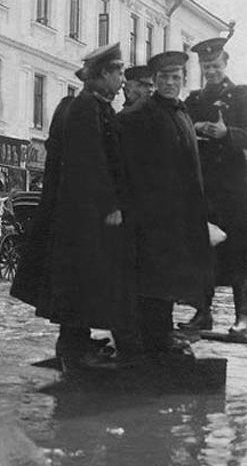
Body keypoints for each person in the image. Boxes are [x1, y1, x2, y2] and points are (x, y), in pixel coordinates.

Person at [11, 42, 143, 370]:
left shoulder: (89, 105)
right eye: (119, 73)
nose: (123, 81)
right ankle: (73, 347)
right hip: (85, 214)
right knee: (82, 279)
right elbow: (92, 163)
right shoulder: (86, 109)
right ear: (102, 75)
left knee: (80, 280)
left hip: (79, 212)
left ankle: (76, 340)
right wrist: (111, 205)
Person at [119, 51, 214, 357]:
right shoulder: (141, 114)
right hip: (152, 217)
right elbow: (128, 167)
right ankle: (155, 342)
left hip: (180, 215)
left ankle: (162, 334)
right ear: (155, 81)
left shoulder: (182, 113)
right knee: (152, 279)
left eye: (176, 78)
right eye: (164, 78)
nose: (170, 83)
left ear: (183, 80)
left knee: (170, 278)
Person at [181, 37, 247, 336]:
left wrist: (226, 132)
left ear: (225, 63)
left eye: (215, 65)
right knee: (202, 246)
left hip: (230, 184)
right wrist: (195, 128)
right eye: (206, 67)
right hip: (202, 183)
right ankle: (203, 313)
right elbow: (180, 133)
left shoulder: (241, 94)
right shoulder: (192, 100)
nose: (211, 71)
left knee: (236, 247)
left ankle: (243, 317)